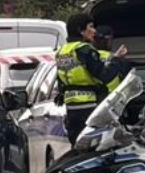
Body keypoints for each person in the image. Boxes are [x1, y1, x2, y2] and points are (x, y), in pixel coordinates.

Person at [54, 12, 129, 145]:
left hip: (71, 107)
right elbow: (104, 76)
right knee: (95, 146)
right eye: (91, 27)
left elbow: (61, 79)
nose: (94, 31)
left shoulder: (63, 51)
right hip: (89, 107)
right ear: (80, 30)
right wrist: (116, 60)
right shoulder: (85, 50)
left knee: (77, 145)